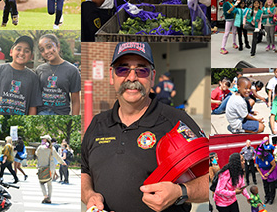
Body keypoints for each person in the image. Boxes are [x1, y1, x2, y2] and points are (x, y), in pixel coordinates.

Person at [82, 42, 207, 212]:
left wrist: (181, 191)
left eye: (141, 70)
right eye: (122, 69)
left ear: (152, 76)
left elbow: (212, 176)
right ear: (112, 76)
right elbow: (85, 170)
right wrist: (89, 195)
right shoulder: (98, 123)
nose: (132, 78)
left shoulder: (177, 121)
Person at [0, 36, 42, 115]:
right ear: (11, 52)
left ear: (31, 56)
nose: (21, 53)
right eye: (18, 49)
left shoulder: (33, 77)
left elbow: (33, 106)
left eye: (26, 51)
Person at [35, 34, 81, 115]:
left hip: (61, 113)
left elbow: (76, 101)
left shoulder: (72, 70)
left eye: (49, 47)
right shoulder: (39, 69)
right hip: (41, 113)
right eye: (42, 50)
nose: (46, 52)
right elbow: (35, 97)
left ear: (58, 46)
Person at [37, 135, 66, 204]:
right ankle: (49, 198)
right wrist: (63, 162)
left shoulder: (40, 148)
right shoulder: (52, 148)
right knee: (49, 184)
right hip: (51, 168)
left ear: (45, 140)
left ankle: (45, 195)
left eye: (43, 139)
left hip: (42, 168)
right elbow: (57, 157)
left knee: (41, 182)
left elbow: (36, 154)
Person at [255, 138, 277, 205]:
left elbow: (274, 165)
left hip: (271, 170)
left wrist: (268, 173)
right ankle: (267, 197)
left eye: (258, 154)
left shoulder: (269, 156)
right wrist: (262, 175)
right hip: (263, 171)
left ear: (262, 154)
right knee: (265, 186)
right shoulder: (257, 158)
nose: (257, 155)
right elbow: (257, 167)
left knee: (272, 186)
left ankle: (271, 198)